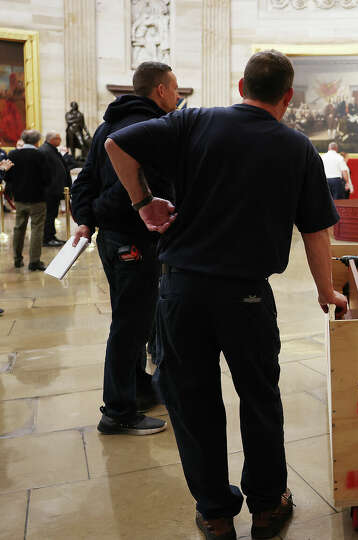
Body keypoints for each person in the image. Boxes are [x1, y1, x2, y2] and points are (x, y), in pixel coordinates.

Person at [103, 49, 346, 540]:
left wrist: (145, 203)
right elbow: (316, 230)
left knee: (192, 401)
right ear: (289, 96)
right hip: (247, 296)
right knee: (259, 398)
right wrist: (326, 290)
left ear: (241, 86)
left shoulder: (192, 122)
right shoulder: (298, 147)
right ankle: (267, 505)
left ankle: (215, 512)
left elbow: (116, 144)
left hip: (182, 289)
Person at [71, 61, 181, 438]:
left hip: (111, 240)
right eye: (176, 89)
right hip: (132, 239)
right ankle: (117, 411)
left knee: (131, 320)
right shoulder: (151, 129)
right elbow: (130, 191)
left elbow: (84, 181)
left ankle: (135, 388)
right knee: (129, 325)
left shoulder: (106, 126)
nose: (179, 96)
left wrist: (85, 219)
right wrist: (100, 213)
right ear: (161, 90)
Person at [6, 129, 50, 271]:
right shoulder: (41, 155)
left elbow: (8, 177)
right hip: (38, 198)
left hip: (19, 198)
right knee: (37, 229)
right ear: (37, 141)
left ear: (23, 139)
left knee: (19, 228)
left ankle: (17, 259)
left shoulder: (12, 154)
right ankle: (34, 261)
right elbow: (47, 177)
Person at [39, 132, 70, 247]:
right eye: (58, 138)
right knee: (49, 215)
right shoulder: (45, 151)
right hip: (50, 190)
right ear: (52, 139)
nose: (60, 140)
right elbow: (46, 172)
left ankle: (51, 236)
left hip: (54, 189)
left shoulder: (51, 149)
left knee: (52, 214)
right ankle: (47, 238)